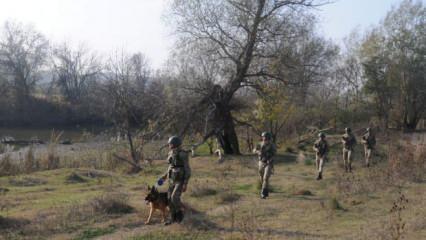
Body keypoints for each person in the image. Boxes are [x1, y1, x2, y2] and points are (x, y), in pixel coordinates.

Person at [159, 136, 191, 225]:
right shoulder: (171, 153)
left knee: (174, 198)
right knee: (169, 199)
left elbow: (187, 169)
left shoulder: (182, 154)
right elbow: (171, 166)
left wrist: (185, 183)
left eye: (170, 143)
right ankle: (173, 218)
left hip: (180, 180)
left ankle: (180, 216)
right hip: (172, 179)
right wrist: (164, 176)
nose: (169, 145)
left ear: (174, 144)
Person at [254, 132, 276, 199]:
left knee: (265, 178)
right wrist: (258, 152)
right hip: (261, 162)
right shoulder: (259, 144)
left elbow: (274, 154)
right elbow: (254, 150)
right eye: (263, 137)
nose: (265, 138)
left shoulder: (272, 145)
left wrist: (270, 159)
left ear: (269, 138)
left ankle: (264, 193)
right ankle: (264, 188)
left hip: (269, 163)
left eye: (266, 137)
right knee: (261, 177)